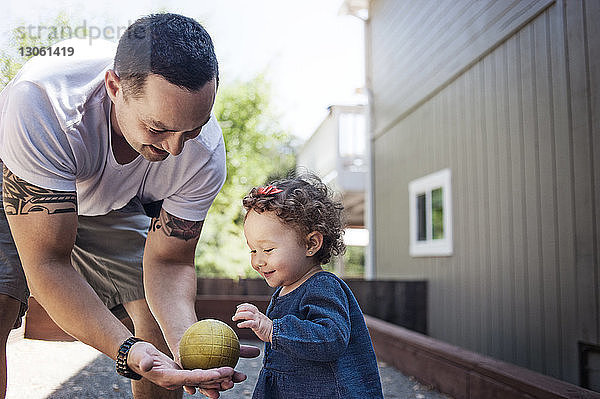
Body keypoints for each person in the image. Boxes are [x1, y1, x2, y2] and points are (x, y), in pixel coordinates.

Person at [0, 13, 258, 399]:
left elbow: (170, 262)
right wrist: (127, 352)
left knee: (155, 323)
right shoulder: (44, 103)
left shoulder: (202, 155)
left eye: (193, 129)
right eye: (158, 128)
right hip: (23, 181)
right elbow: (48, 264)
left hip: (111, 201)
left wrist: (189, 344)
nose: (174, 148)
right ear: (114, 86)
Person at [232, 174, 384, 399]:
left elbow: (331, 337)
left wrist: (272, 329)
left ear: (311, 243)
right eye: (253, 250)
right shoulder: (286, 289)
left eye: (268, 250)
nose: (258, 261)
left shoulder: (324, 286)